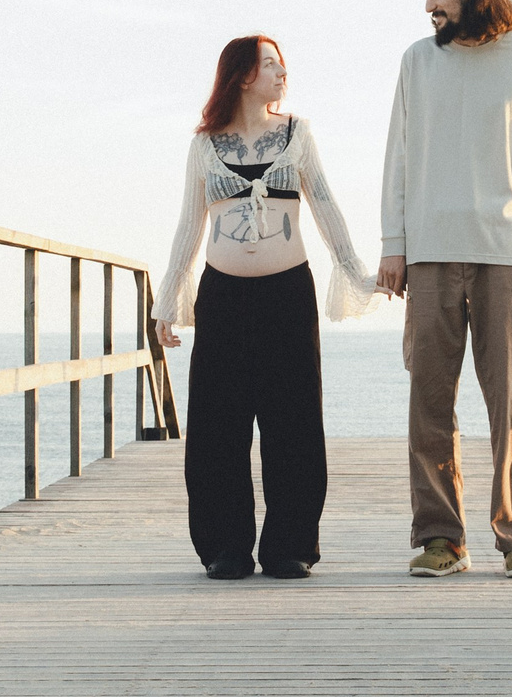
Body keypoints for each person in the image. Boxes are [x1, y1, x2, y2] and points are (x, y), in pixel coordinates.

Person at [155, 35, 383, 580]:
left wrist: (358, 274)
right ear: (241, 75)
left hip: (287, 294)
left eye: (283, 66)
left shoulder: (297, 134)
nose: (283, 74)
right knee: (217, 425)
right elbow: (190, 224)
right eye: (271, 65)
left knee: (294, 421)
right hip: (223, 296)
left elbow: (325, 207)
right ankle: (224, 546)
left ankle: (289, 544)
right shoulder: (204, 145)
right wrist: (168, 299)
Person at [376, 0, 512, 579]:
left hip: (504, 253)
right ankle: (441, 538)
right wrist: (392, 244)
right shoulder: (416, 62)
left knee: (510, 400)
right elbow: (398, 158)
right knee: (429, 401)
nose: (428, 6)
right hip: (429, 252)